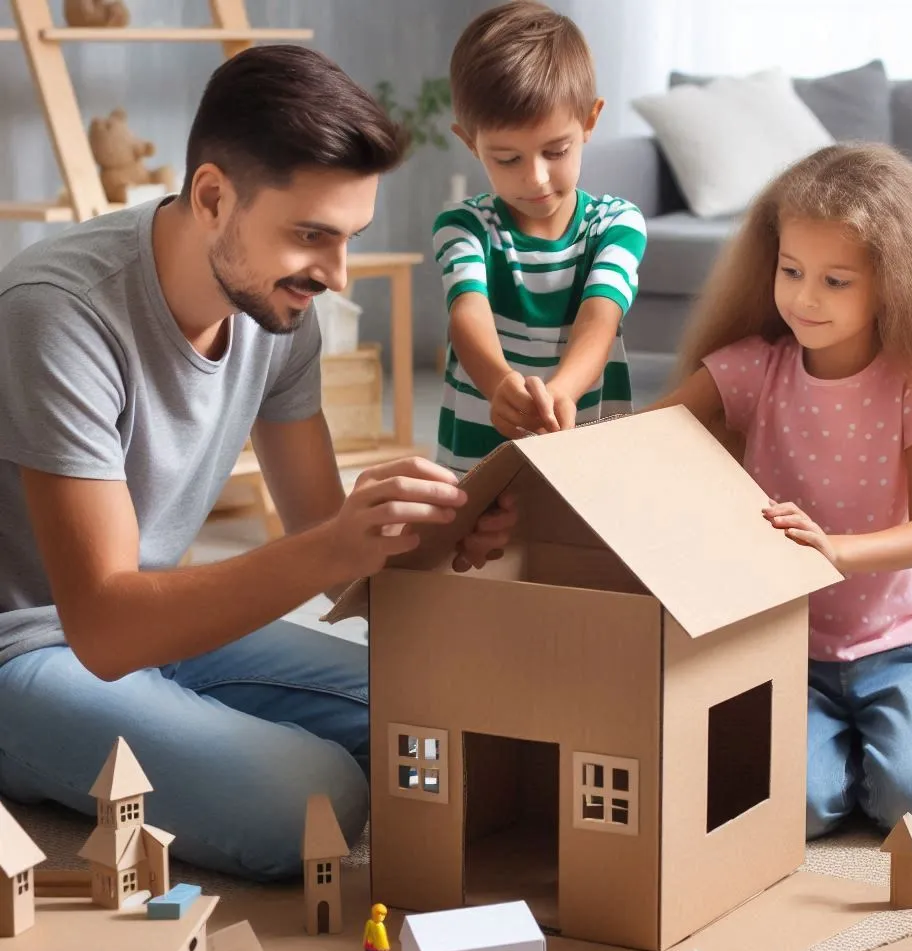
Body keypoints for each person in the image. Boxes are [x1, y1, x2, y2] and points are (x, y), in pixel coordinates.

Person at [0, 45, 513, 881]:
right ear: (212, 197)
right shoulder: (58, 316)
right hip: (31, 647)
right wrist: (337, 545)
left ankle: (176, 720)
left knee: (455, 708)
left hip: (162, 624)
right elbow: (102, 625)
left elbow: (321, 534)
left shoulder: (279, 318)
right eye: (312, 235)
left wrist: (438, 534)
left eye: (349, 238)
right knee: (312, 801)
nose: (336, 275)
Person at [651, 142, 912, 838]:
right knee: (801, 808)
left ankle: (895, 729)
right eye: (791, 271)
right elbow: (651, 431)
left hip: (894, 643)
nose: (804, 297)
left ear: (894, 282)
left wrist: (834, 549)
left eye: (836, 280)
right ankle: (845, 752)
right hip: (788, 638)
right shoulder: (757, 369)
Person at [432, 0, 648, 474]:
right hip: (479, 455)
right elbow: (467, 314)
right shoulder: (463, 227)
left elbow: (600, 317)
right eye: (508, 159)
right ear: (470, 143)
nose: (535, 178)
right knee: (479, 544)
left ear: (590, 121)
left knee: (587, 541)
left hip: (586, 446)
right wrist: (499, 384)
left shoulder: (615, 224)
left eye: (555, 151)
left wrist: (561, 394)